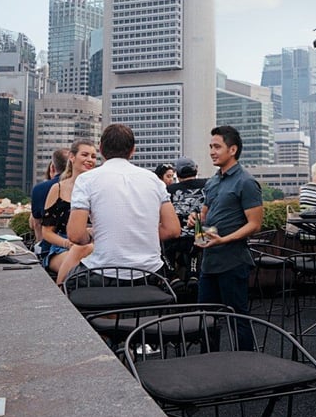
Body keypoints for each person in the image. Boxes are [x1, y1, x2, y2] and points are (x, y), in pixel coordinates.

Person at [68, 124, 180, 274]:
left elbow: (75, 235)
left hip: (102, 273)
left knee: (67, 284)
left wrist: (91, 235)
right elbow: (172, 230)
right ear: (133, 150)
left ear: (101, 148)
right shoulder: (154, 180)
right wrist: (139, 234)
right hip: (150, 273)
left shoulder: (86, 180)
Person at [193, 125, 264, 352]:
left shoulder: (245, 181)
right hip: (209, 261)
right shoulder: (213, 181)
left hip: (233, 261)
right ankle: (209, 367)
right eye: (211, 147)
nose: (212, 151)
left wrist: (224, 240)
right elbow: (205, 216)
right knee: (206, 319)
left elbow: (255, 224)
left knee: (238, 320)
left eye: (217, 146)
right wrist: (195, 221)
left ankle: (247, 369)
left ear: (232, 149)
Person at [40, 140, 96, 284]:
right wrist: (68, 243)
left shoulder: (99, 189)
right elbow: (46, 232)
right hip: (61, 249)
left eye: (93, 156)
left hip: (93, 246)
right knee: (81, 253)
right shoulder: (57, 189)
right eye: (85, 155)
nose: (90, 160)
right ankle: (61, 292)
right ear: (72, 157)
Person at [165, 157, 207, 288]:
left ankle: (172, 275)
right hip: (202, 237)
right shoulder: (208, 184)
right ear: (196, 170)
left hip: (177, 237)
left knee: (162, 243)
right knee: (199, 235)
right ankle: (193, 273)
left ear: (177, 173)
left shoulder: (170, 189)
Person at [30, 148, 70, 255]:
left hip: (50, 247)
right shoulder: (83, 185)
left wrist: (40, 245)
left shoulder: (40, 189)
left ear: (52, 167)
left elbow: (37, 223)